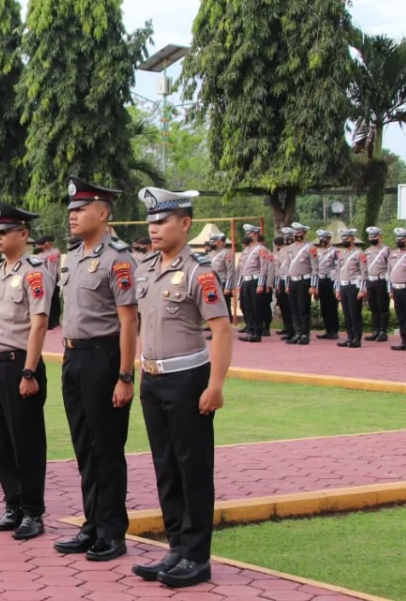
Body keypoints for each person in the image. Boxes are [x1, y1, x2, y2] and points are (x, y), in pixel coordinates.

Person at [131, 187, 232, 589]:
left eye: (163, 221)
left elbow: (222, 331)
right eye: (151, 222)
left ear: (185, 224)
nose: (154, 229)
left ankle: (196, 556)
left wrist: (216, 385)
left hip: (188, 379)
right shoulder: (145, 268)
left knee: (192, 468)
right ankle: (175, 545)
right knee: (166, 467)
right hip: (152, 379)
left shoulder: (198, 272)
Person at [52, 177, 137, 562]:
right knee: (84, 446)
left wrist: (124, 375)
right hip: (74, 358)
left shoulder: (117, 258)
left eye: (80, 209)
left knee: (106, 448)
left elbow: (128, 320)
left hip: (104, 359)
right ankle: (91, 525)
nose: (72, 216)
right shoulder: (74, 256)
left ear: (103, 213)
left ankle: (112, 531)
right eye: (70, 210)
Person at [0, 202, 52, 541]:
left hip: (21, 364)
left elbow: (39, 325)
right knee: (2, 441)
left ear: (24, 234)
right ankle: (12, 506)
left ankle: (33, 512)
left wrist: (30, 371)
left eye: (5, 232)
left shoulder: (35, 273)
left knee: (27, 442)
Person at [283, 222, 318, 345]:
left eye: (300, 233)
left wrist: (313, 285)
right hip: (293, 281)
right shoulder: (290, 248)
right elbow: (288, 267)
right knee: (294, 308)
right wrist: (287, 284)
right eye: (296, 232)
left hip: (304, 280)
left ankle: (304, 334)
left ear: (304, 233)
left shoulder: (310, 247)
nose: (297, 235)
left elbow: (315, 268)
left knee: (303, 308)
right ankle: (297, 332)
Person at [236, 225, 271, 342]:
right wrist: (239, 284)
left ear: (255, 234)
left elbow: (264, 267)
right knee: (247, 307)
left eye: (250, 234)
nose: (248, 236)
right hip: (246, 280)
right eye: (247, 234)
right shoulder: (246, 250)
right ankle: (250, 331)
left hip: (256, 280)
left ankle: (257, 332)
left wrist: (261, 284)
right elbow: (241, 269)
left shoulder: (261, 249)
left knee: (257, 307)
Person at [335, 229, 368, 348]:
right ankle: (349, 337)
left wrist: (362, 289)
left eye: (347, 239)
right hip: (343, 285)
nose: (345, 241)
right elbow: (338, 272)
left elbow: (364, 272)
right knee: (346, 313)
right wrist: (337, 289)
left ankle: (356, 338)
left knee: (355, 313)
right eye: (343, 239)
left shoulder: (360, 253)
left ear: (353, 239)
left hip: (354, 286)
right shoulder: (341, 255)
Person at [364, 227, 391, 342]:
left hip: (381, 280)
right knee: (373, 306)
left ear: (380, 237)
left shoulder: (386, 250)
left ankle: (383, 331)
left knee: (382, 306)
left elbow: (390, 267)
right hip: (370, 281)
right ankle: (375, 330)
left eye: (374, 236)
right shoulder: (367, 251)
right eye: (370, 237)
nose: (372, 239)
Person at [314, 230, 341, 340]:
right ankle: (327, 329)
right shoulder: (318, 252)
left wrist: (336, 285)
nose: (322, 240)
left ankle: (334, 330)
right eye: (321, 238)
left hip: (331, 280)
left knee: (332, 306)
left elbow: (338, 267)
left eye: (324, 238)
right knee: (323, 306)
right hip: (321, 280)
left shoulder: (335, 252)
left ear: (329, 239)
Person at [205, 234, 234, 323]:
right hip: (211, 283)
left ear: (220, 242)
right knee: (213, 306)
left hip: (222, 282)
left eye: (214, 241)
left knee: (224, 306)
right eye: (211, 241)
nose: (211, 243)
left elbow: (230, 270)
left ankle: (227, 326)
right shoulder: (210, 254)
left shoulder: (226, 253)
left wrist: (228, 287)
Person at [38, 236, 63, 328]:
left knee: (54, 299)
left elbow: (52, 267)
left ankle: (54, 320)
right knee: (47, 300)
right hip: (44, 279)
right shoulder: (42, 254)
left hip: (53, 278)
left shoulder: (55, 252)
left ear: (47, 243)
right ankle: (50, 320)